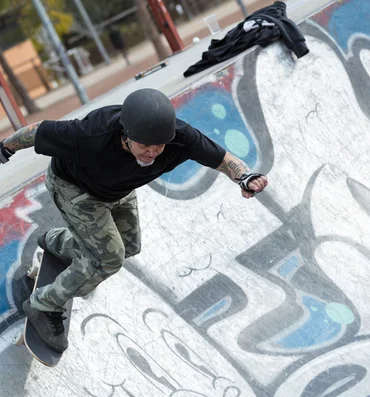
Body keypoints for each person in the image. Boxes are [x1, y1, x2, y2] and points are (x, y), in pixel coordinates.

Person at [0, 88, 268, 353]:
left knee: (129, 245)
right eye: (145, 146)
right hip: (75, 190)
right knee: (107, 260)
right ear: (125, 136)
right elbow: (37, 132)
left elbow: (223, 159)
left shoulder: (181, 137)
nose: (152, 153)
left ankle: (57, 242)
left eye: (159, 147)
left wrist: (245, 178)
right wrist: (5, 149)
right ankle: (43, 304)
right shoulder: (91, 134)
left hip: (119, 191)